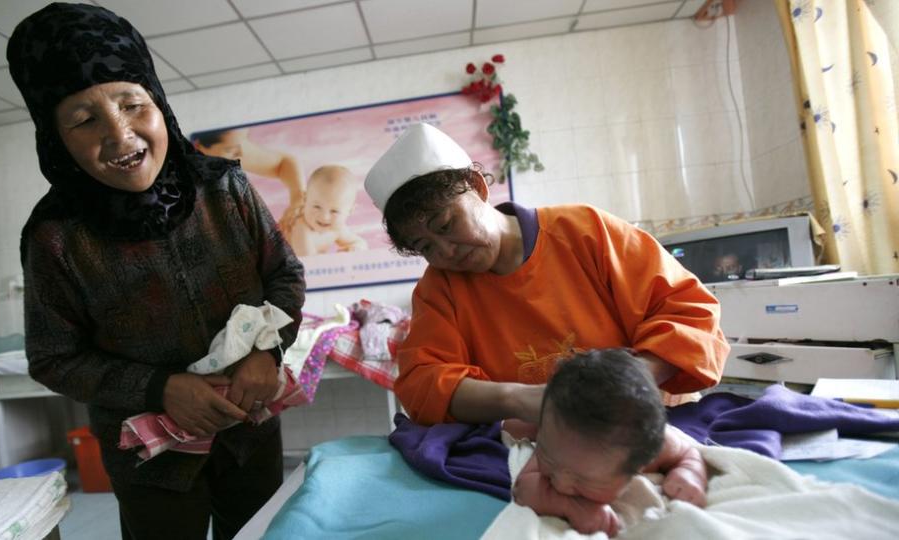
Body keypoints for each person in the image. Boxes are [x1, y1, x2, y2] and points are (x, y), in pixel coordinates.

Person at [7, 4, 305, 539]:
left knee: (263, 532)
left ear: (159, 105)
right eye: (83, 119)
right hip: (150, 456)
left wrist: (267, 350)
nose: (121, 137)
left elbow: (284, 275)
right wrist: (161, 388)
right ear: (54, 137)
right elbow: (53, 357)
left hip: (248, 428)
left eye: (132, 105)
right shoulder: (56, 236)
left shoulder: (224, 190)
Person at [363, 123, 730, 427]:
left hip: (652, 419)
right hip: (542, 438)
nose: (445, 253)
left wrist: (627, 382)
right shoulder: (439, 290)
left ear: (476, 187)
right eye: (424, 246)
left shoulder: (587, 231)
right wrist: (522, 399)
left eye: (445, 225)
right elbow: (422, 382)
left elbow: (689, 315)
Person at [507, 349, 707, 537]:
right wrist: (570, 505)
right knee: (512, 425)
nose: (560, 483)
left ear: (641, 462)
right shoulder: (560, 442)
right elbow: (524, 487)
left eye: (581, 479)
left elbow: (687, 453)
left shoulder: (660, 444)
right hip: (536, 422)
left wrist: (689, 472)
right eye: (548, 461)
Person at [192, 128, 304, 224]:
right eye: (231, 150)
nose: (241, 154)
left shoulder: (233, 148)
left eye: (243, 141)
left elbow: (283, 163)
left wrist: (298, 197)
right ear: (197, 145)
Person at [280, 164, 368, 256]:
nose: (324, 217)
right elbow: (309, 263)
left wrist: (354, 249)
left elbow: (359, 243)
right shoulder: (301, 229)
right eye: (316, 207)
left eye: (334, 211)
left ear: (350, 211)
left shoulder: (336, 228)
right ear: (305, 199)